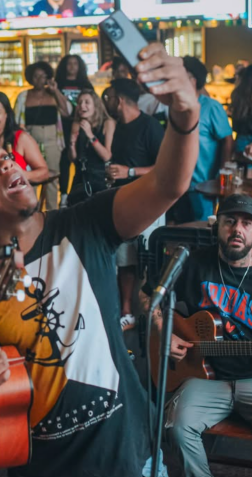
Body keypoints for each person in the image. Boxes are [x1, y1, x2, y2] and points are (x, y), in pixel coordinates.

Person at [0, 42, 200, 477]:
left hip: (130, 457)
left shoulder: (85, 223)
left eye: (4, 157)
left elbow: (169, 184)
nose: (5, 165)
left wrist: (185, 118)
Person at [156, 194, 252, 477]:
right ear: (216, 226)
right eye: (229, 221)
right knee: (179, 430)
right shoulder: (193, 263)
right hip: (203, 378)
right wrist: (163, 331)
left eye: (246, 223)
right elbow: (150, 300)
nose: (237, 229)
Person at [104, 78, 166, 331]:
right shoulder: (118, 127)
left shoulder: (150, 127)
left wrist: (129, 172)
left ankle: (154, 313)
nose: (104, 102)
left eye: (107, 97)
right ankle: (126, 312)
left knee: (150, 261)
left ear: (118, 99)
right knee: (124, 260)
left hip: (150, 204)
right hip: (124, 203)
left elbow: (164, 168)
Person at [171, 57, 233, 223]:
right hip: (177, 183)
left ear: (193, 80)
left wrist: (221, 173)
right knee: (180, 230)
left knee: (202, 229)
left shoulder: (211, 107)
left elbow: (227, 140)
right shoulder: (174, 106)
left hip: (201, 186)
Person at [14, 62, 72, 211]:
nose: (39, 79)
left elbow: (67, 112)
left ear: (48, 77)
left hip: (52, 140)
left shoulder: (53, 94)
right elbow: (15, 121)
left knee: (52, 177)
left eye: (42, 76)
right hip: (30, 141)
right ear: (30, 78)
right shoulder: (23, 96)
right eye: (35, 76)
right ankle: (31, 210)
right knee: (31, 177)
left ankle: (52, 212)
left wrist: (55, 90)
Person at [0, 92, 49, 184]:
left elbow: (44, 173)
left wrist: (21, 174)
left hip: (16, 196)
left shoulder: (21, 138)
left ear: (6, 114)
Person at [55, 55, 95, 207]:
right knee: (64, 161)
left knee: (80, 159)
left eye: (75, 64)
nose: (72, 67)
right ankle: (64, 194)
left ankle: (82, 191)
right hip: (62, 126)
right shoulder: (58, 83)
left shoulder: (85, 83)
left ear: (80, 67)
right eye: (69, 64)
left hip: (81, 125)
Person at [66, 89, 116, 207]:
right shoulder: (77, 124)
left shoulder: (107, 123)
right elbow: (74, 159)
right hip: (81, 177)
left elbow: (107, 156)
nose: (82, 105)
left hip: (100, 178)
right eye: (79, 102)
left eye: (86, 102)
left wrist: (90, 135)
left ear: (96, 106)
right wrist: (72, 145)